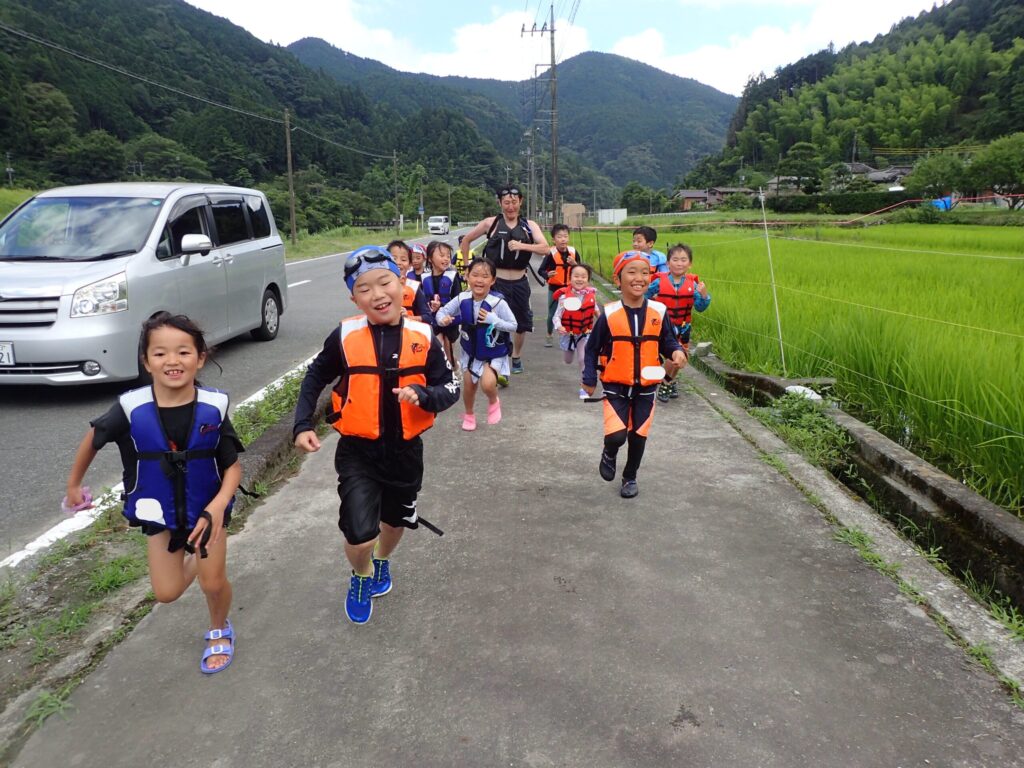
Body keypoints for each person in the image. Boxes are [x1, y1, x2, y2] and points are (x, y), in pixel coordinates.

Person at [65, 312, 244, 673]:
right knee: (167, 592)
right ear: (146, 362)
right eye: (160, 353)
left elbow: (232, 466)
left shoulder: (213, 406)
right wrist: (73, 485)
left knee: (212, 583)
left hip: (207, 511)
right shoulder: (131, 408)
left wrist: (219, 506)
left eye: (183, 352)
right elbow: (93, 438)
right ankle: (202, 561)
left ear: (200, 358)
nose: (172, 361)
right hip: (159, 513)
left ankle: (219, 628)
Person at [293, 246, 459, 625]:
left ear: (402, 283)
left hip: (405, 450)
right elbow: (315, 376)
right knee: (358, 533)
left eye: (385, 283)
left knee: (395, 521)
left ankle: (382, 560)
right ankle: (362, 572)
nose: (377, 294)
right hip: (358, 451)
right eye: (364, 289)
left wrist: (425, 396)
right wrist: (302, 424)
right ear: (354, 299)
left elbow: (449, 386)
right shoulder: (345, 336)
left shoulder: (423, 335)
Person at [582, 251, 687, 499]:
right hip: (615, 385)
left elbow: (668, 341)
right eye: (632, 272)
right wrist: (589, 378)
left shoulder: (659, 311)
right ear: (617, 279)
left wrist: (677, 352)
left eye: (645, 273)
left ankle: (630, 477)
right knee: (617, 436)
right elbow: (592, 348)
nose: (639, 278)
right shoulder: (609, 314)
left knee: (638, 436)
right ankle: (609, 452)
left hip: (647, 387)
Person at [458, 186, 549, 375]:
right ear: (500, 203)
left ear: (520, 202)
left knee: (521, 322)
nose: (510, 206)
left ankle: (516, 355)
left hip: (520, 281)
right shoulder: (490, 224)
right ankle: (495, 357)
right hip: (496, 282)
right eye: (506, 202)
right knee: (492, 320)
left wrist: (523, 246)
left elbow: (545, 248)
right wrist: (467, 268)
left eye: (514, 202)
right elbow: (466, 241)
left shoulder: (529, 225)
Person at [436, 257, 517, 432]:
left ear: (493, 280)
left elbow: (513, 325)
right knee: (469, 386)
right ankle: (469, 414)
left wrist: (494, 320)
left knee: (487, 384)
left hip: (493, 350)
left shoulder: (498, 303)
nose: (479, 280)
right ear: (467, 276)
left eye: (485, 276)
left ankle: (494, 401)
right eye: (475, 275)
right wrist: (442, 320)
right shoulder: (462, 298)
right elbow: (442, 312)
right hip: (471, 350)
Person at [645, 243, 711, 402]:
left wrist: (704, 295)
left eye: (683, 260)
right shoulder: (659, 282)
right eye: (675, 260)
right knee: (669, 356)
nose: (679, 263)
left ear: (690, 264)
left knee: (681, 357)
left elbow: (700, 307)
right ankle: (668, 381)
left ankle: (668, 381)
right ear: (668, 263)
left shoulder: (693, 285)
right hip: (662, 326)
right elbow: (644, 296)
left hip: (683, 327)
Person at [552, 262, 600, 398]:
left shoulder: (591, 295)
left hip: (584, 334)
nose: (580, 279)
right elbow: (556, 316)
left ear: (588, 279)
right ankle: (569, 351)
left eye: (583, 277)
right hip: (568, 334)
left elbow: (596, 311)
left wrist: (605, 322)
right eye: (576, 276)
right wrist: (559, 326)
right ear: (570, 278)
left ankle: (584, 387)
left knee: (583, 359)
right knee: (568, 360)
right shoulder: (564, 297)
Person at [422, 240, 464, 374]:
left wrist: (442, 306)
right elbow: (422, 300)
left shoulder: (452, 277)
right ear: (430, 258)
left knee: (448, 353)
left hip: (450, 320)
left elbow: (458, 300)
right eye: (442, 255)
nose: (446, 259)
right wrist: (429, 307)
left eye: (448, 256)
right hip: (433, 320)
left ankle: (456, 369)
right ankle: (446, 377)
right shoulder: (424, 278)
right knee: (439, 353)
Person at [538, 223, 580, 348]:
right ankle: (549, 334)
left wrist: (574, 264)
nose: (563, 239)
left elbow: (581, 270)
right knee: (552, 314)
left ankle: (571, 335)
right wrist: (547, 274)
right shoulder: (550, 254)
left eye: (565, 236)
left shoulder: (573, 252)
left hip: (570, 289)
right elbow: (541, 270)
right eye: (559, 237)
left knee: (571, 312)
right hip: (555, 288)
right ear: (553, 240)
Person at [387, 240, 430, 322]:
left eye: (403, 260)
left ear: (410, 264)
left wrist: (408, 318)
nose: (398, 262)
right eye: (394, 259)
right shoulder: (379, 286)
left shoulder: (414, 287)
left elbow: (428, 317)